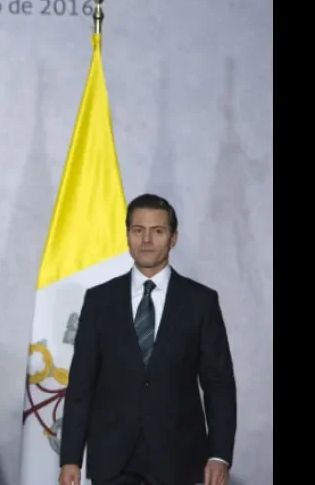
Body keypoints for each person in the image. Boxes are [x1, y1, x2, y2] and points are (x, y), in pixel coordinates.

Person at [58, 194, 237, 485]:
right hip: (113, 459)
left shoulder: (200, 302)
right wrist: (70, 458)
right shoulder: (99, 300)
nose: (146, 240)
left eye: (158, 231)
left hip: (179, 458)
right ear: (127, 235)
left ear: (173, 238)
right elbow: (81, 385)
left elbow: (219, 385)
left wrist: (219, 455)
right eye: (138, 230)